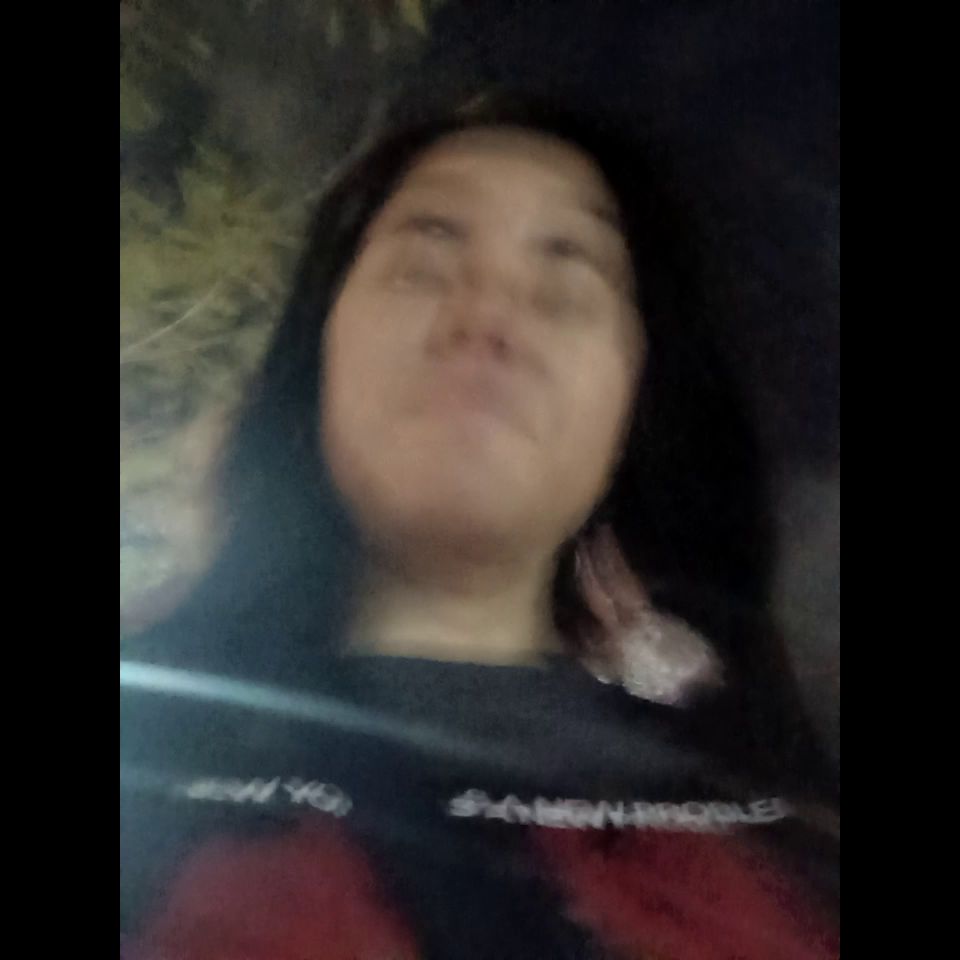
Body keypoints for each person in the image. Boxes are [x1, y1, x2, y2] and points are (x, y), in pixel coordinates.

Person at [120, 93, 839, 960]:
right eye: (423, 266)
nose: (486, 318)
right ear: (317, 354)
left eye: (566, 285)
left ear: (634, 406)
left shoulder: (779, 811)